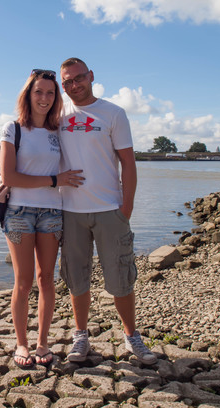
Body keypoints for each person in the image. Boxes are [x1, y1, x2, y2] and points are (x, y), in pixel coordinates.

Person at [57, 57, 157, 365]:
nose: (75, 85)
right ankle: (81, 337)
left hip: (110, 209)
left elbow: (128, 162)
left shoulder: (114, 113)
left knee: (121, 278)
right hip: (70, 211)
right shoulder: (57, 114)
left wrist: (125, 208)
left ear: (91, 76)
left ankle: (132, 337)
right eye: (68, 82)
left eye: (79, 78)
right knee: (77, 277)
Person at [0, 69, 84, 368]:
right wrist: (53, 179)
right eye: (39, 92)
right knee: (22, 282)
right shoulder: (13, 129)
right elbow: (9, 176)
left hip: (52, 213)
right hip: (20, 212)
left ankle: (42, 342)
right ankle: (21, 344)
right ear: (28, 95)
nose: (45, 98)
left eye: (50, 93)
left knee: (46, 279)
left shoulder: (58, 131)